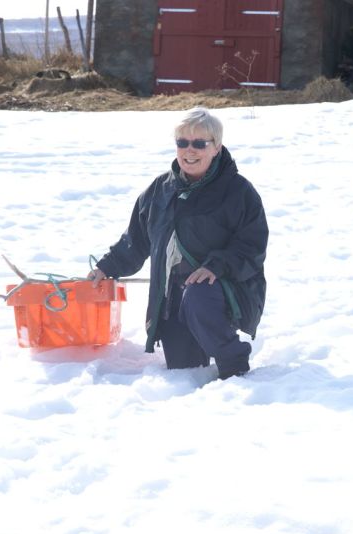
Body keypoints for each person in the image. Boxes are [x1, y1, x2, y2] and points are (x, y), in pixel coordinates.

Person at [88, 107, 268, 379]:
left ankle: (234, 364)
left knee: (198, 293)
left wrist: (216, 266)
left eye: (199, 143)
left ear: (216, 147)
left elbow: (252, 247)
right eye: (182, 143)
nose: (189, 150)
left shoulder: (239, 192)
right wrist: (106, 267)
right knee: (184, 369)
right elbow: (135, 241)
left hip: (224, 289)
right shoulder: (160, 191)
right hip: (173, 296)